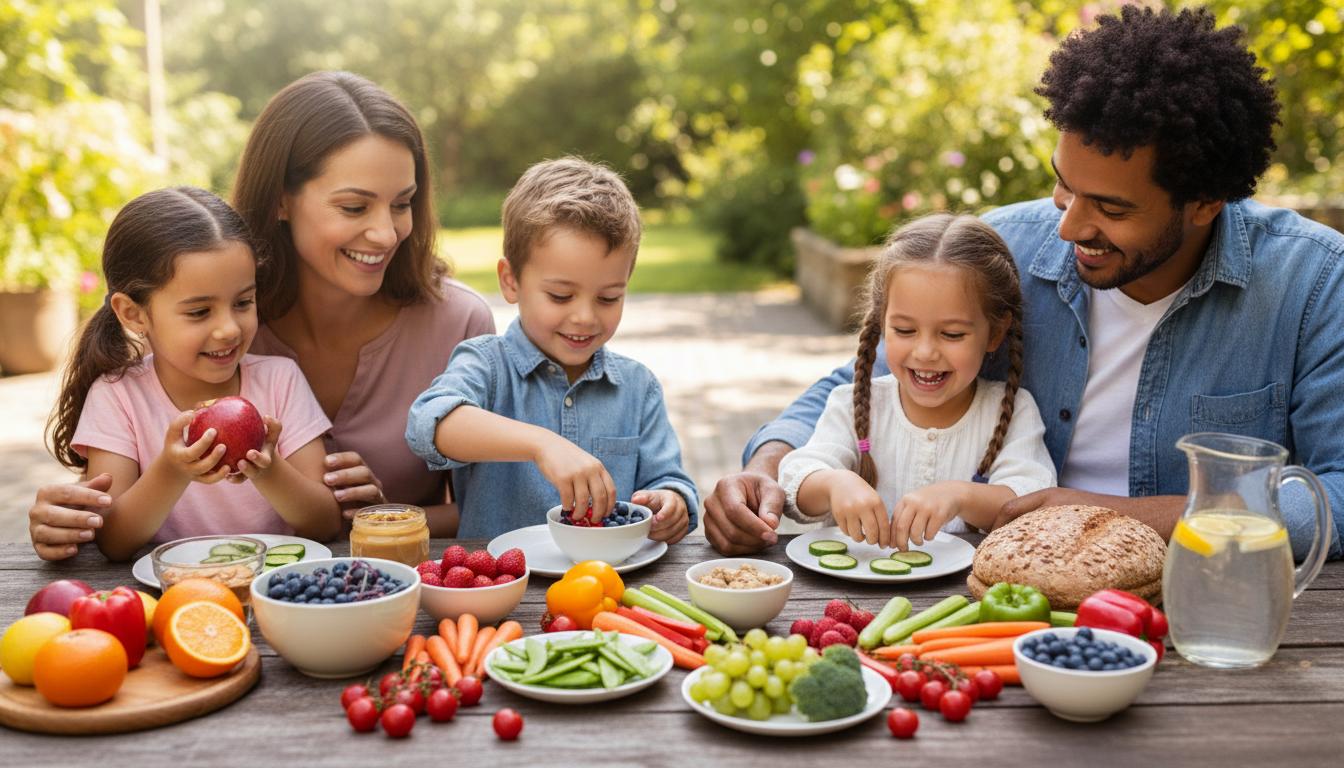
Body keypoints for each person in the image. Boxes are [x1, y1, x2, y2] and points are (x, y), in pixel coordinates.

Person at [705, 6, 1344, 560]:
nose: (1068, 228)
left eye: (1111, 209)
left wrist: (1104, 513)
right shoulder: (1007, 244)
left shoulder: (1311, 282)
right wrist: (765, 469)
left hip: (1203, 598)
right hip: (999, 580)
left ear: (1205, 202)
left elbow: (1335, 494)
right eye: (1062, 183)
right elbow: (862, 381)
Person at [29, 71, 495, 559]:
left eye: (403, 204)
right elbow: (120, 511)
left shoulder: (458, 324)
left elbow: (497, 505)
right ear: (280, 200)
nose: (386, 233)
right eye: (355, 207)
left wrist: (384, 518)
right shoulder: (214, 324)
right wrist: (66, 521)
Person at [405, 157, 697, 542]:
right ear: (511, 281)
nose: (585, 317)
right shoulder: (487, 364)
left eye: (609, 298)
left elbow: (669, 480)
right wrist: (542, 444)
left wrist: (671, 502)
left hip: (605, 588)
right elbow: (430, 424)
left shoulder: (637, 387)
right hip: (504, 588)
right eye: (561, 296)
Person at [46, 187, 339, 561]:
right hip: (172, 597)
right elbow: (114, 542)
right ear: (133, 314)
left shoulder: (281, 380)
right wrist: (172, 469)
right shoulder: (117, 395)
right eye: (200, 312)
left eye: (243, 303)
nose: (229, 329)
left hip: (275, 591)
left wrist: (269, 471)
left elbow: (326, 522)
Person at [779, 214, 1054, 550]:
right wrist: (835, 484)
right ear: (882, 323)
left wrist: (960, 496)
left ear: (995, 332)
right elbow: (798, 481)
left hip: (963, 597)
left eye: (952, 334)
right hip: (854, 594)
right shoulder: (852, 403)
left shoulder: (1010, 411)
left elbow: (1030, 495)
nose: (924, 352)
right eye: (905, 330)